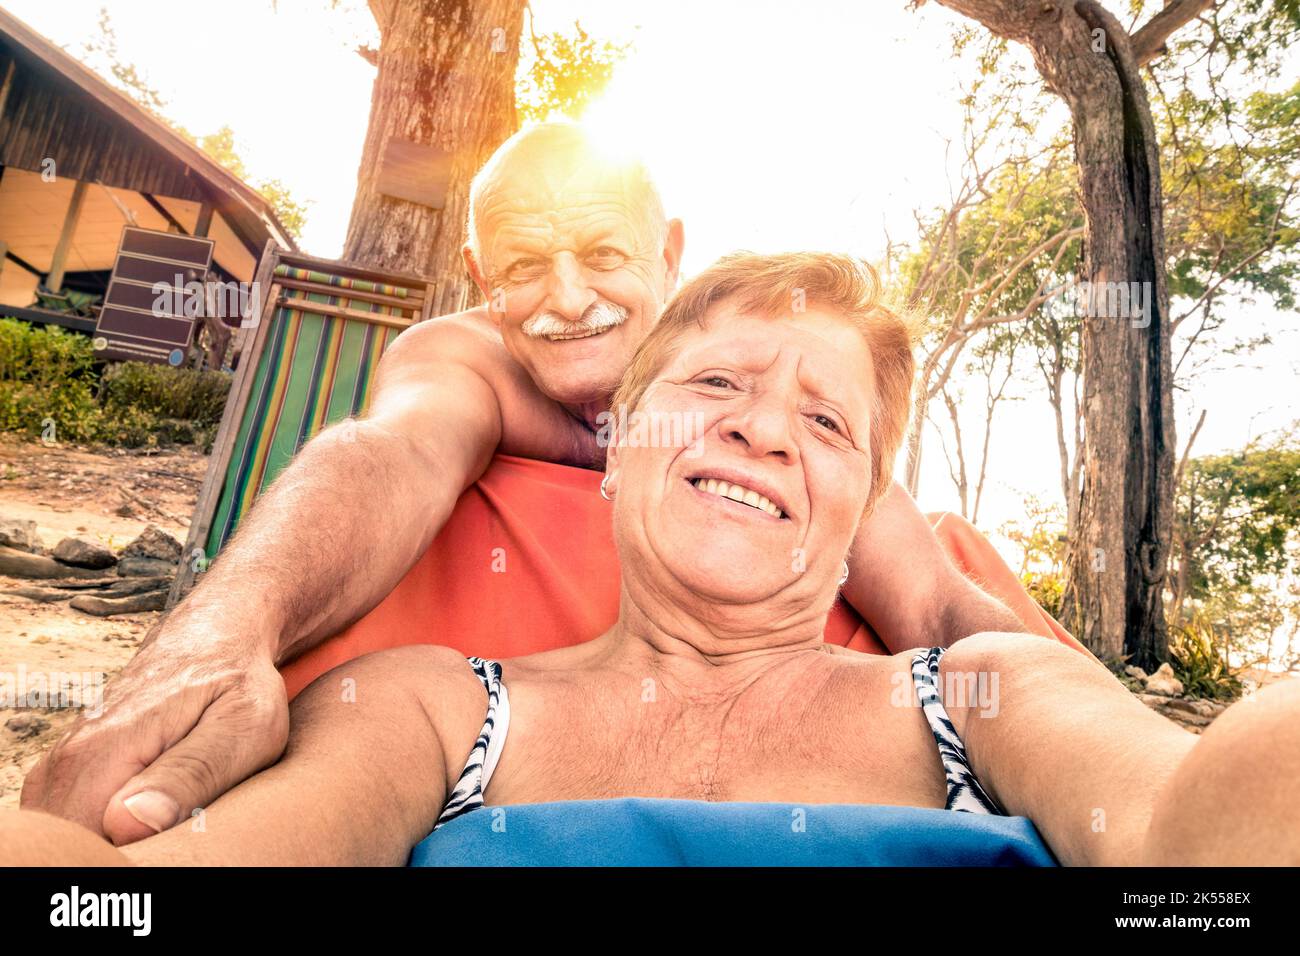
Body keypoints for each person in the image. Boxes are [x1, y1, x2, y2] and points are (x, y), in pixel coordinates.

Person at [4, 253, 1295, 867]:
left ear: (862, 512)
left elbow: (1196, 841)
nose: (760, 426)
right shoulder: (433, 702)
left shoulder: (982, 690)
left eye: (826, 422)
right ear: (612, 454)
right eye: (717, 384)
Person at [21, 124, 1073, 848]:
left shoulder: (771, 405)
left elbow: (931, 600)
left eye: (603, 253)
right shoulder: (470, 361)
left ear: (667, 252)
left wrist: (1085, 718)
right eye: (523, 265)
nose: (565, 300)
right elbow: (387, 452)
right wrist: (223, 633)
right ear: (483, 278)